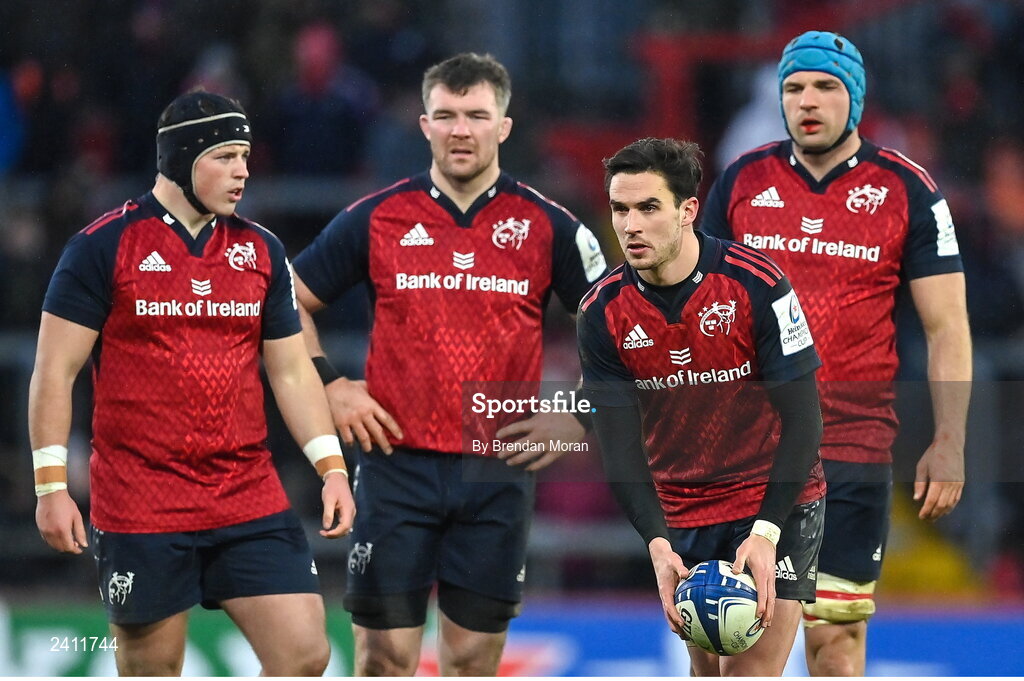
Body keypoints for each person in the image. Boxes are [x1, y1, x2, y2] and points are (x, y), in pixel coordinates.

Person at [291, 52, 607, 676]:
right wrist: (330, 385)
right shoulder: (378, 216)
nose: (461, 129)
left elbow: (628, 331)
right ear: (424, 124)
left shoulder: (550, 227)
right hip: (394, 463)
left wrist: (582, 414)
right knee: (384, 657)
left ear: (504, 126)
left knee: (471, 658)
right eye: (447, 115)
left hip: (495, 469)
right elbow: (287, 304)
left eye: (476, 115)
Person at [29, 90, 355, 676]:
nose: (243, 172)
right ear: (182, 159)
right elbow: (56, 371)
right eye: (226, 156)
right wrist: (51, 487)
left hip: (244, 490)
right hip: (141, 499)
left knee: (306, 654)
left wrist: (330, 466)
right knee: (152, 669)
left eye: (246, 157)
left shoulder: (260, 250)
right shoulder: (103, 247)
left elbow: (289, 369)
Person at [700, 31, 972, 676]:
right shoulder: (742, 180)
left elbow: (948, 327)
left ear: (856, 98)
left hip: (852, 446)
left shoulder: (907, 190)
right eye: (794, 88)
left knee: (836, 642)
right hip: (749, 451)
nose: (808, 100)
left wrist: (950, 438)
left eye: (826, 86)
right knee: (740, 645)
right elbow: (697, 310)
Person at [578, 137, 826, 677]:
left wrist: (765, 533)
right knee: (706, 671)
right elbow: (619, 450)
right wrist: (658, 545)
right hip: (682, 509)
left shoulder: (757, 284)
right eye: (620, 209)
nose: (630, 225)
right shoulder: (601, 313)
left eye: (648, 208)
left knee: (748, 673)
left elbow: (805, 419)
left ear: (688, 210)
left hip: (774, 500)